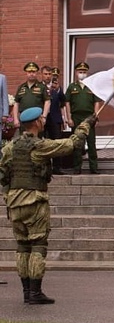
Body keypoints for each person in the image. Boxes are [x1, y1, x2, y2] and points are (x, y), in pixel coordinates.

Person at [0, 106, 96, 305]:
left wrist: (8, 195)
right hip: (34, 201)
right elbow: (72, 144)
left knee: (22, 247)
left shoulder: (9, 147)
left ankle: (26, 291)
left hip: (14, 203)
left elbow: (2, 174)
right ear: (36, 123)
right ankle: (35, 293)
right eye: (41, 119)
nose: (43, 121)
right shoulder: (39, 146)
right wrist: (86, 125)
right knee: (38, 245)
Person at [64, 62, 102, 175]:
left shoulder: (92, 86)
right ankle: (77, 168)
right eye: (80, 72)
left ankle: (93, 168)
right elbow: (67, 103)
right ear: (76, 73)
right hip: (76, 117)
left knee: (91, 143)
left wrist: (96, 116)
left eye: (84, 72)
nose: (82, 74)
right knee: (77, 143)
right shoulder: (72, 86)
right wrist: (69, 118)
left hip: (89, 117)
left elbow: (96, 102)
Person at [12, 62, 51, 132]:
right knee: (23, 141)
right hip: (24, 120)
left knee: (38, 141)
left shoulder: (42, 87)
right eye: (29, 72)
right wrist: (15, 119)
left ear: (36, 73)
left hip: (37, 120)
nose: (31, 74)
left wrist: (44, 117)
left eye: (33, 72)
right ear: (26, 73)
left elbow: (47, 102)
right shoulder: (21, 87)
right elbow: (16, 104)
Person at [45, 74, 66, 175]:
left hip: (55, 119)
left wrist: (58, 89)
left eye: (50, 75)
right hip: (44, 119)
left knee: (57, 143)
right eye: (46, 74)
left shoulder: (57, 89)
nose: (48, 77)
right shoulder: (41, 87)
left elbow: (63, 101)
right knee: (44, 143)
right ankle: (46, 167)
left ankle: (57, 167)